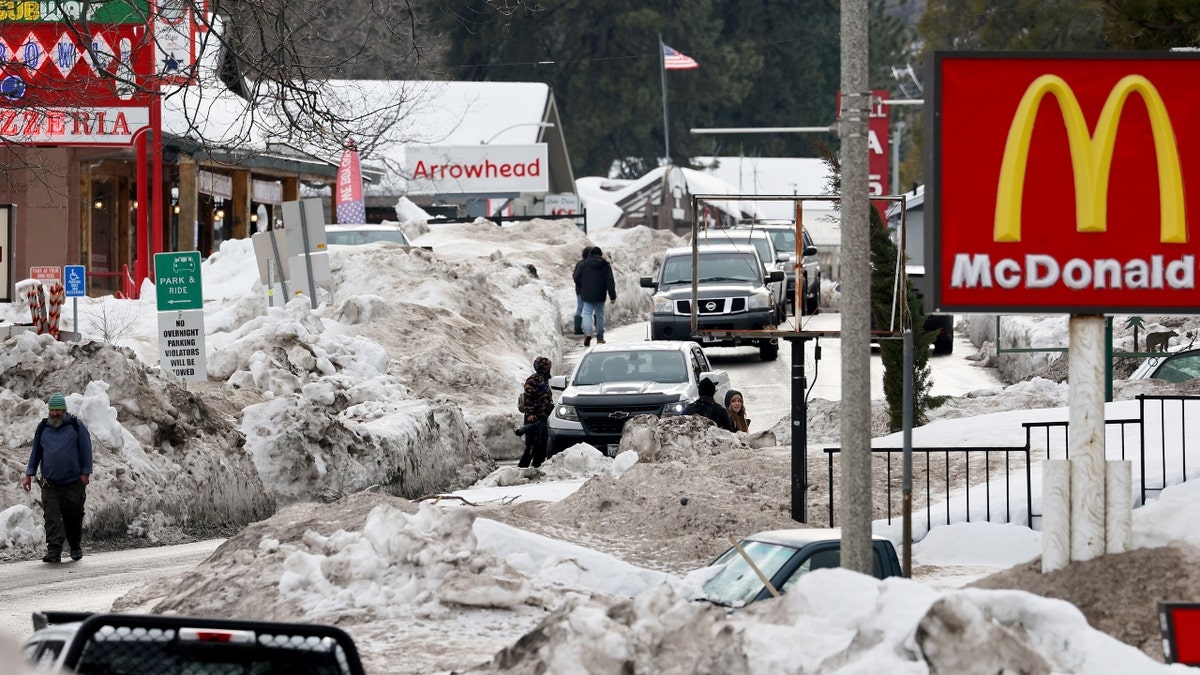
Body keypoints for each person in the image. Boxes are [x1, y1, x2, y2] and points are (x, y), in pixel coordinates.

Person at [21, 392, 93, 563]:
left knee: (73, 516)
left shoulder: (76, 426)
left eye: (58, 410)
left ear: (64, 410)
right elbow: (36, 452)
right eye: (52, 410)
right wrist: (29, 474)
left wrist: (85, 473)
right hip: (49, 482)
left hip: (73, 482)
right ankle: (54, 550)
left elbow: (86, 450)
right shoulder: (43, 427)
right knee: (51, 516)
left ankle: (75, 546)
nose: (54, 414)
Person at [574, 246, 616, 346]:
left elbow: (576, 277)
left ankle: (588, 333)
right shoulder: (605, 265)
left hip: (587, 293)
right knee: (600, 315)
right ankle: (600, 337)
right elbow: (610, 281)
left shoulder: (583, 264)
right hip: (600, 293)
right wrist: (612, 295)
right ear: (600, 254)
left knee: (587, 313)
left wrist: (581, 286)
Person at [518, 356, 554, 468]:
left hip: (543, 418)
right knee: (531, 447)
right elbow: (529, 398)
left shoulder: (543, 380)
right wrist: (531, 415)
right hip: (534, 419)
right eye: (547, 367)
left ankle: (536, 468)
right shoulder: (533, 380)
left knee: (542, 448)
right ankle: (522, 469)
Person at [573, 246, 593, 335]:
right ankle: (595, 327)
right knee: (591, 309)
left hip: (580, 290)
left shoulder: (579, 263)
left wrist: (579, 285)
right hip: (588, 289)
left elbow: (575, 276)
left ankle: (577, 329)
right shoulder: (589, 264)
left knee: (580, 308)